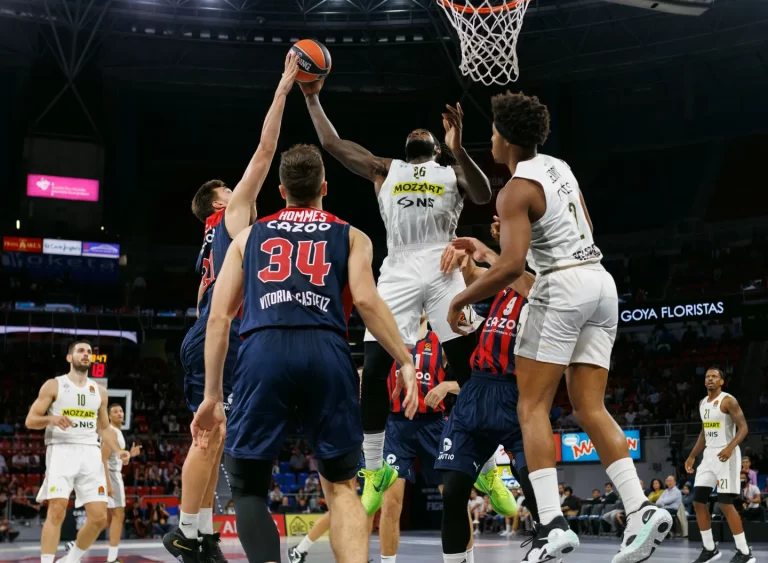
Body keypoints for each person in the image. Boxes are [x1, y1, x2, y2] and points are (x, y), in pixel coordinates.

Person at [445, 91, 671, 563]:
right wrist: (493, 251)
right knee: (590, 407)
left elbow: (510, 269)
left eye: (492, 133)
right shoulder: (560, 167)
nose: (490, 138)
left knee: (531, 405)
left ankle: (552, 524)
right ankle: (639, 509)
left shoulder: (514, 191)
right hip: (600, 283)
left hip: (562, 289)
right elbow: (578, 228)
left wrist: (461, 299)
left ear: (504, 138)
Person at [192, 143, 418, 563]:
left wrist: (211, 396)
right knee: (341, 486)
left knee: (248, 487)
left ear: (280, 191)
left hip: (263, 350)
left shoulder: (246, 237)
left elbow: (220, 318)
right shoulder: (353, 236)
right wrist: (404, 359)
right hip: (327, 349)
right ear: (324, 188)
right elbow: (367, 302)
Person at [300, 77, 492, 515]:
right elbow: (331, 143)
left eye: (425, 133)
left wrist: (459, 147)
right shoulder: (385, 168)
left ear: (438, 148)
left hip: (441, 267)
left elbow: (484, 194)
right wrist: (312, 97)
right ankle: (373, 469)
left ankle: (490, 465)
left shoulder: (451, 170)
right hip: (400, 267)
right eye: (414, 133)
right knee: (374, 366)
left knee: (471, 369)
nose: (417, 132)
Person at [164, 53, 300, 563]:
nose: (245, 189)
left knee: (215, 433)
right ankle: (186, 531)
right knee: (208, 435)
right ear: (221, 199)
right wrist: (283, 89)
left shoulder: (211, 242)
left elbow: (205, 298)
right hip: (221, 334)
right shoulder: (232, 213)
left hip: (210, 330)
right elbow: (266, 151)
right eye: (233, 186)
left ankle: (197, 534)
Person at [436, 232, 542, 563]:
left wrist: (490, 254)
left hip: (517, 394)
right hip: (477, 389)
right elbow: (475, 279)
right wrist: (465, 259)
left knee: (537, 489)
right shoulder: (500, 281)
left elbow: (524, 282)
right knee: (453, 493)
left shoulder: (546, 284)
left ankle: (548, 551)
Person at [25, 339, 129, 563]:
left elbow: (104, 428)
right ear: (69, 357)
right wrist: (51, 418)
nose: (86, 354)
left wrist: (119, 451)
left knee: (100, 518)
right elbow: (30, 420)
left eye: (89, 352)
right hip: (61, 450)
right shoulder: (54, 385)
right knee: (57, 510)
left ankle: (70, 559)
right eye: (80, 351)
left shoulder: (99, 392)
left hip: (89, 452)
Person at [685, 367, 754, 563]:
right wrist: (692, 456)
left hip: (727, 456)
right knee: (698, 501)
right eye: (707, 376)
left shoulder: (728, 401)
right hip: (708, 457)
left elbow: (744, 427)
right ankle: (709, 548)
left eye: (714, 376)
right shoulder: (702, 403)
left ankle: (744, 552)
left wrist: (730, 447)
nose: (710, 379)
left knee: (725, 503)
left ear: (722, 381)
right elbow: (705, 432)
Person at [100, 404, 141, 563]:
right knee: (119, 516)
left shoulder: (118, 433)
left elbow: (118, 460)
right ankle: (112, 559)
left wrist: (130, 454)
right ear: (109, 416)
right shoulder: (111, 432)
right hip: (110, 476)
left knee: (106, 521)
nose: (119, 413)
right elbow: (102, 459)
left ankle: (75, 545)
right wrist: (108, 484)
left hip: (112, 474)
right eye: (115, 411)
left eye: (121, 411)